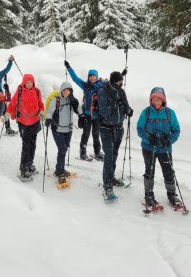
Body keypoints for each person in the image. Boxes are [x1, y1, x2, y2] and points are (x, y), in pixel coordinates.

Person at [137, 87, 181, 209]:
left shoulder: (169, 113)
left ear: (163, 100)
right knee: (149, 171)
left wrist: (169, 140)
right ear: (151, 100)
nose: (156, 102)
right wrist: (148, 138)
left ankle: (172, 195)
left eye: (159, 99)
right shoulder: (146, 112)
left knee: (168, 172)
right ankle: (149, 195)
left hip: (165, 149)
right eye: (154, 99)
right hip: (148, 148)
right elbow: (140, 129)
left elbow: (176, 130)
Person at [97, 71, 133, 199]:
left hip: (118, 127)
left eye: (122, 81)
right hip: (106, 127)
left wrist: (128, 110)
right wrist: (115, 105)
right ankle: (107, 185)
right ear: (112, 82)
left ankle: (111, 177)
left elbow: (125, 104)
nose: (121, 84)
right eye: (118, 82)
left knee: (115, 154)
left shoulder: (121, 91)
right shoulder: (103, 92)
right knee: (109, 155)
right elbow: (104, 111)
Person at [4, 73, 45, 180]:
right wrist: (7, 114)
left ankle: (30, 164)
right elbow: (12, 103)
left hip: (35, 122)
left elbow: (41, 104)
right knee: (26, 146)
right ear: (24, 82)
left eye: (31, 82)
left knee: (33, 145)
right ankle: (23, 169)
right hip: (23, 122)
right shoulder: (20, 91)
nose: (29, 84)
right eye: (27, 82)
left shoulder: (37, 91)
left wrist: (41, 112)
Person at [64, 61, 105, 160]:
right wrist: (69, 68)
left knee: (96, 134)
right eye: (90, 76)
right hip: (87, 115)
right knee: (85, 134)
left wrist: (121, 75)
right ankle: (83, 153)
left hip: (96, 115)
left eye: (94, 76)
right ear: (88, 77)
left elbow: (113, 83)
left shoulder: (102, 86)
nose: (92, 78)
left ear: (97, 77)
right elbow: (75, 79)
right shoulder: (86, 86)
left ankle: (97, 152)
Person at [45, 82, 79, 186]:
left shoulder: (71, 101)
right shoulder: (56, 100)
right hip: (57, 129)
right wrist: (48, 119)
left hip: (68, 129)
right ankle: (60, 172)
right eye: (64, 90)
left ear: (70, 91)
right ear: (61, 90)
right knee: (62, 149)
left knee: (64, 148)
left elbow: (79, 111)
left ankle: (60, 169)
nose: (66, 92)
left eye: (68, 90)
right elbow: (50, 112)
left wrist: (76, 103)